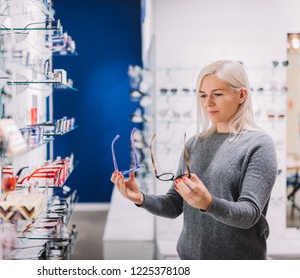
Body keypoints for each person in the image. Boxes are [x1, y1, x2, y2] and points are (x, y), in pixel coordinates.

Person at [110, 59, 278, 260]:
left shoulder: (259, 145)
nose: (208, 103)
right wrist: (141, 198)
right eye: (203, 95)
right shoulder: (194, 144)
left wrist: (208, 203)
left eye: (217, 94)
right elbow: (174, 204)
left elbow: (249, 214)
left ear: (241, 95)